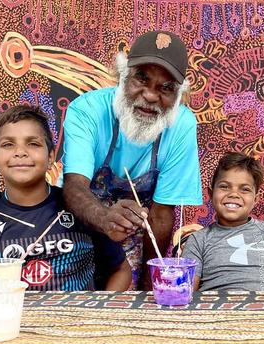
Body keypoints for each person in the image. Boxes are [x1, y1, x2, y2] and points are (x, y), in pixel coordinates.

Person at [61, 31, 202, 289]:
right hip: (82, 225)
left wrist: (150, 285)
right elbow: (74, 186)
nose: (150, 96)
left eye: (166, 88)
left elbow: (160, 214)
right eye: (141, 78)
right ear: (123, 75)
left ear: (179, 94)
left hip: (137, 236)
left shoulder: (182, 125)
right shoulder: (87, 110)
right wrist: (104, 218)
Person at [0, 105, 131, 291]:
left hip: (77, 319)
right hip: (17, 320)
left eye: (33, 143)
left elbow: (121, 269)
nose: (20, 152)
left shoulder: (83, 208)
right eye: (8, 144)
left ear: (50, 157)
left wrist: (97, 315)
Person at [181, 152, 264, 292]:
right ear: (210, 193)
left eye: (244, 189)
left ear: (255, 199)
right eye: (224, 187)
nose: (233, 194)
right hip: (216, 311)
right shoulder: (198, 240)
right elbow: (187, 295)